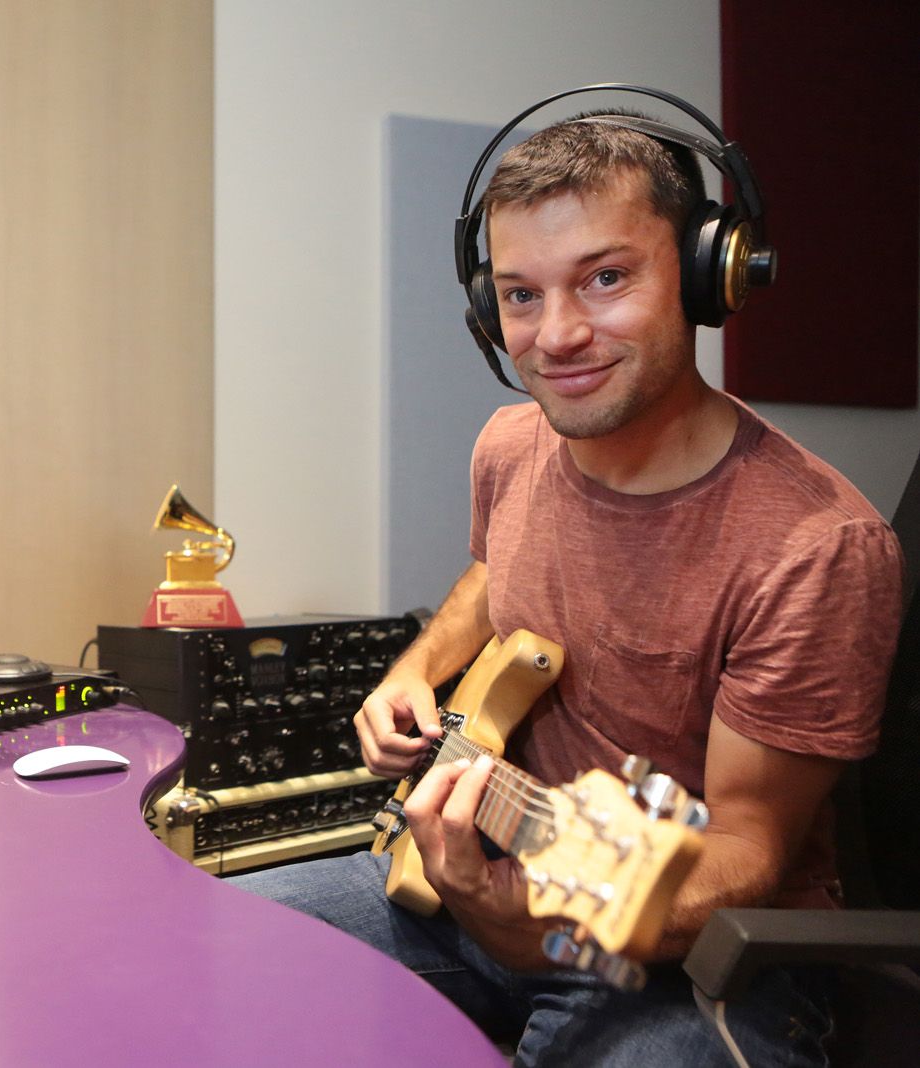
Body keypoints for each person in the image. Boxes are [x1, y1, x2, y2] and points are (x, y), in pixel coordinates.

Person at [230, 106, 904, 1066]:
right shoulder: (512, 446)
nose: (558, 335)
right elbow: (495, 573)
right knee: (221, 947)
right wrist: (415, 672)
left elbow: (749, 851)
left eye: (607, 277)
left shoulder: (816, 544)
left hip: (707, 955)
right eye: (520, 295)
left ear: (710, 275)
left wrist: (509, 912)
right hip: (505, 874)